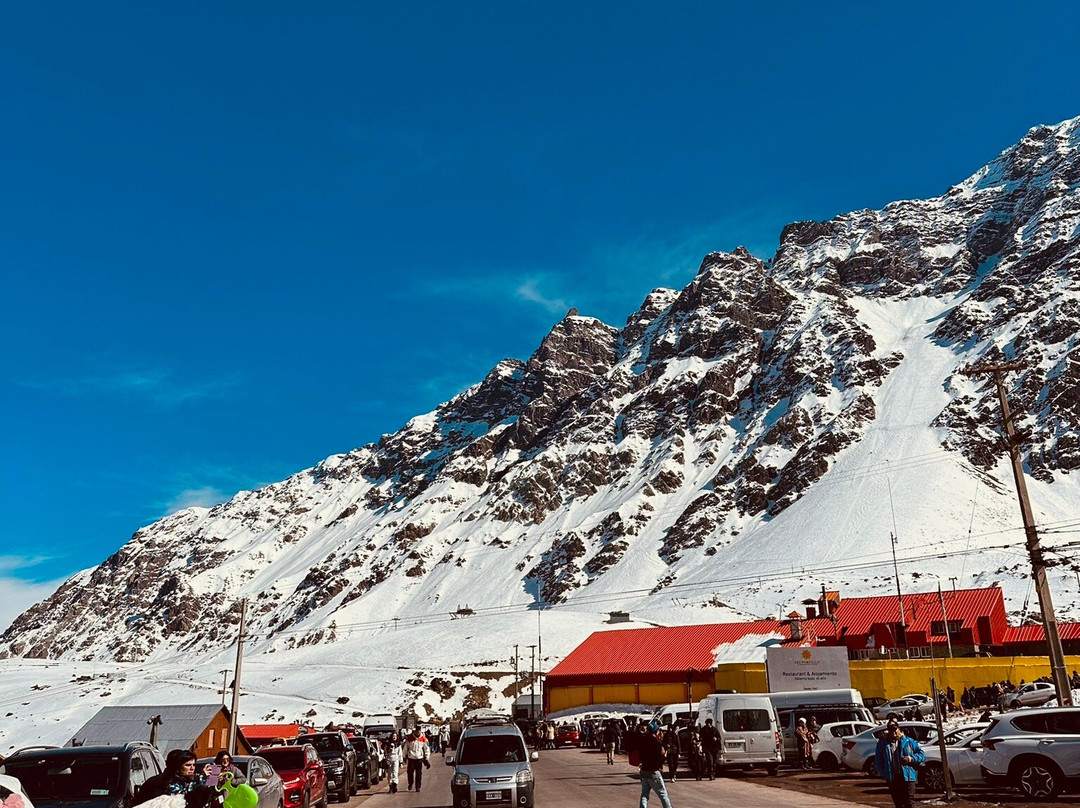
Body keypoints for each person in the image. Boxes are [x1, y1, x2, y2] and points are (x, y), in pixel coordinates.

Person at [136, 750, 214, 807]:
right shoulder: (169, 781)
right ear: (178, 767)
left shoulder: (194, 779)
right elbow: (182, 799)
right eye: (188, 765)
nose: (192, 768)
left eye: (193, 765)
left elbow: (210, 794)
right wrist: (201, 778)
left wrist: (214, 779)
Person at [874, 720, 925, 808]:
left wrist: (911, 759)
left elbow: (921, 754)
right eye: (890, 730)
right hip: (893, 778)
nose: (893, 732)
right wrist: (883, 773)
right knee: (898, 803)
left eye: (895, 729)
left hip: (908, 776)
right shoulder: (883, 743)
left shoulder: (908, 741)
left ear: (899, 729)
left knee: (909, 801)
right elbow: (878, 759)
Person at [638, 726, 673, 808]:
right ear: (656, 732)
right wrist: (664, 756)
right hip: (653, 772)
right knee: (663, 794)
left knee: (644, 794)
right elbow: (659, 760)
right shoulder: (656, 743)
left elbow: (640, 756)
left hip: (644, 770)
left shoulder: (643, 741)